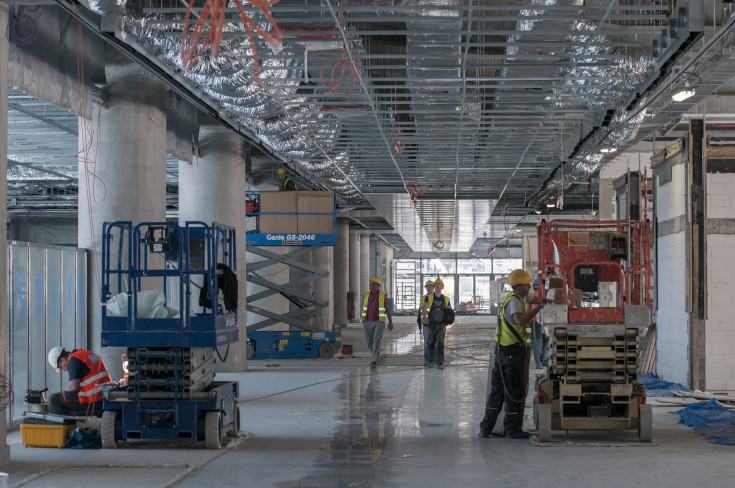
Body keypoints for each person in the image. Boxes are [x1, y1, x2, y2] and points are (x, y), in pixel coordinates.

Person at [478, 269, 545, 439]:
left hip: (503, 351)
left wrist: (547, 300)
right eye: (527, 284)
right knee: (513, 391)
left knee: (497, 392)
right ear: (519, 286)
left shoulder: (517, 297)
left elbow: (533, 298)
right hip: (511, 353)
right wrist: (538, 308)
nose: (530, 286)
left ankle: (485, 428)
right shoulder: (515, 302)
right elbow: (520, 320)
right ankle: (513, 430)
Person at [47, 346, 111, 417]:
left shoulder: (73, 359)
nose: (64, 370)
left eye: (61, 367)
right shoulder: (86, 354)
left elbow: (73, 387)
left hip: (93, 399)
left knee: (53, 399)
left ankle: (68, 426)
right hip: (105, 396)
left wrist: (65, 393)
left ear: (63, 360)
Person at [361, 277, 394, 368]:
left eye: (373, 284)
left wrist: (390, 322)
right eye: (370, 284)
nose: (371, 286)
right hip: (367, 322)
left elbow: (387, 309)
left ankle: (374, 360)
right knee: (369, 342)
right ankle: (376, 353)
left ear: (378, 285)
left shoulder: (383, 295)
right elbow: (364, 308)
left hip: (379, 322)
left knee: (376, 341)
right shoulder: (366, 295)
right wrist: (363, 320)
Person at [421, 278, 452, 369]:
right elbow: (424, 308)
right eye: (436, 286)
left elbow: (450, 310)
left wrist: (450, 319)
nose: (438, 287)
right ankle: (430, 360)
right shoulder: (429, 297)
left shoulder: (446, 299)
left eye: (440, 286)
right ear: (434, 287)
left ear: (442, 287)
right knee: (430, 342)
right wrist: (424, 318)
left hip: (441, 324)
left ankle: (440, 362)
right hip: (431, 323)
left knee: (440, 343)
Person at [530, 279, 549, 369]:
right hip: (546, 321)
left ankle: (539, 364)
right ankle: (544, 358)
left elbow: (527, 311)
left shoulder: (532, 296)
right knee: (546, 340)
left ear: (534, 287)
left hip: (535, 321)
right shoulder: (546, 296)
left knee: (536, 341)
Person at [417, 279, 434, 362]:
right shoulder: (423, 298)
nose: (428, 289)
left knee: (434, 342)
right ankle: (427, 359)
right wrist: (419, 322)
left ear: (433, 288)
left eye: (430, 287)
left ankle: (434, 358)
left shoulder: (437, 297)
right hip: (426, 323)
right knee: (426, 342)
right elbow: (420, 310)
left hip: (435, 323)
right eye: (427, 287)